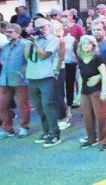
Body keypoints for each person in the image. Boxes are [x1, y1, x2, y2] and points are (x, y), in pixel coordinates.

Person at [25, 18, 62, 147]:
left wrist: (34, 43)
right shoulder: (32, 40)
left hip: (46, 76)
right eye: (38, 27)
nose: (41, 30)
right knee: (38, 107)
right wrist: (29, 39)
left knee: (48, 105)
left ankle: (55, 134)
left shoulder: (53, 39)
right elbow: (26, 56)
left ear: (49, 27)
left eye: (43, 27)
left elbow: (43, 55)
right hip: (32, 77)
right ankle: (46, 132)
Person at [76, 35, 106, 150]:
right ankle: (91, 139)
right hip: (85, 91)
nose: (86, 45)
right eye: (84, 43)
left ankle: (105, 141)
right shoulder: (80, 58)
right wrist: (78, 93)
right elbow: (80, 77)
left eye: (89, 43)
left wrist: (104, 91)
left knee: (101, 117)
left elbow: (104, 74)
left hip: (97, 91)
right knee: (87, 117)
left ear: (93, 45)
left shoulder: (97, 58)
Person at [0, 23, 30, 138]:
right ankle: (8, 129)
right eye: (6, 32)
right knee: (1, 105)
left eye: (10, 32)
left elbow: (30, 62)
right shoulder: (6, 47)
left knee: (22, 105)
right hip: (4, 80)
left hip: (20, 81)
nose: (7, 34)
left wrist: (23, 74)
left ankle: (24, 127)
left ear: (18, 33)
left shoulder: (26, 45)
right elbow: (3, 62)